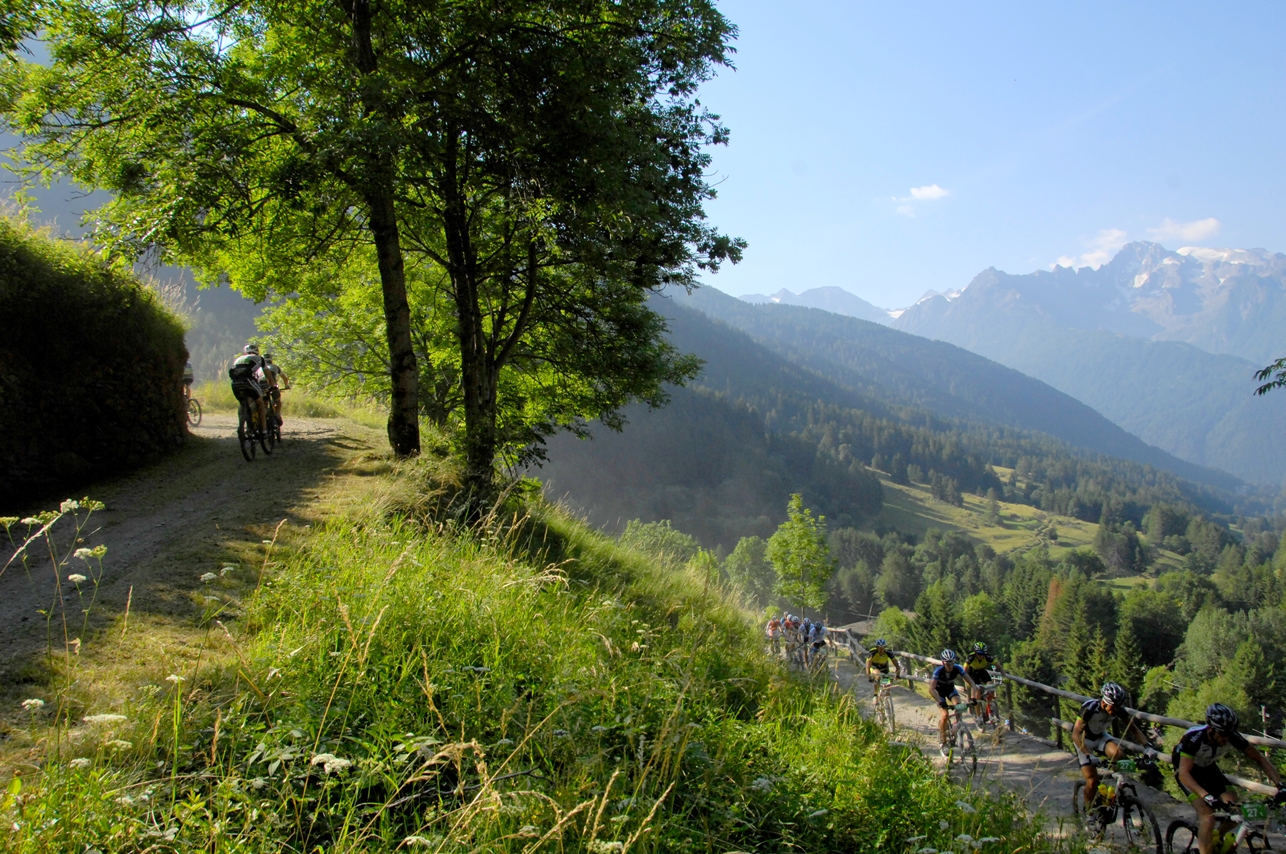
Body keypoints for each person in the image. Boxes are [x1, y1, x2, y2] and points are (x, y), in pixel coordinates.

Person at [1174, 703, 1285, 854]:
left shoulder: (1232, 736)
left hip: (1209, 768)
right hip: (1187, 772)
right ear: (1210, 729)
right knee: (1208, 817)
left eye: (1229, 733)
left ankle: (1215, 840)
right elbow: (1184, 774)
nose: (1226, 738)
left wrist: (1280, 785)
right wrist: (1206, 796)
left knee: (1235, 809)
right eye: (1222, 734)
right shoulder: (1194, 739)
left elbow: (1259, 758)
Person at [1072, 682, 1153, 815]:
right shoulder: (1089, 709)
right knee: (1092, 781)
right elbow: (1075, 734)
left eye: (1118, 707)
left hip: (1100, 736)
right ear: (1104, 702)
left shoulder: (1117, 709)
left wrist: (1147, 746)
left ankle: (1116, 788)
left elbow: (1132, 728)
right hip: (1083, 740)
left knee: (1118, 753)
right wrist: (1088, 754)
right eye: (1114, 707)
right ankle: (1089, 813)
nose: (1116, 711)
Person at [929, 649, 976, 754]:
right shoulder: (938, 671)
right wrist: (940, 702)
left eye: (952, 663)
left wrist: (973, 698)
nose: (949, 665)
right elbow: (931, 689)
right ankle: (943, 742)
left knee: (959, 707)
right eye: (947, 663)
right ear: (943, 663)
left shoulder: (958, 668)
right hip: (939, 693)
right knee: (945, 715)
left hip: (951, 691)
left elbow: (972, 683)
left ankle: (957, 727)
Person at [228, 344, 268, 433]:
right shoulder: (260, 358)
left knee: (243, 403)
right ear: (257, 352)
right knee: (260, 403)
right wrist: (272, 385)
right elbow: (267, 375)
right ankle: (264, 430)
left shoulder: (238, 359)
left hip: (235, 383)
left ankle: (241, 426)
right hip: (248, 381)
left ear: (245, 352)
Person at [964, 642, 1001, 724]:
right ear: (975, 652)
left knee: (991, 686)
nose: (981, 656)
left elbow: (999, 666)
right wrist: (968, 682)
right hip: (972, 674)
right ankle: (978, 716)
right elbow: (964, 672)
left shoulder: (987, 657)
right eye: (979, 654)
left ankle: (990, 708)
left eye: (983, 654)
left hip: (982, 672)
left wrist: (1004, 676)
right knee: (977, 693)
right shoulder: (971, 657)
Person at [261, 352, 290, 426]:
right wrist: (286, 386)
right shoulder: (275, 367)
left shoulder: (259, 368)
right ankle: (277, 414)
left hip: (261, 386)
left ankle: (263, 414)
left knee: (264, 401)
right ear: (271, 360)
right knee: (277, 401)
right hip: (272, 386)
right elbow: (285, 379)